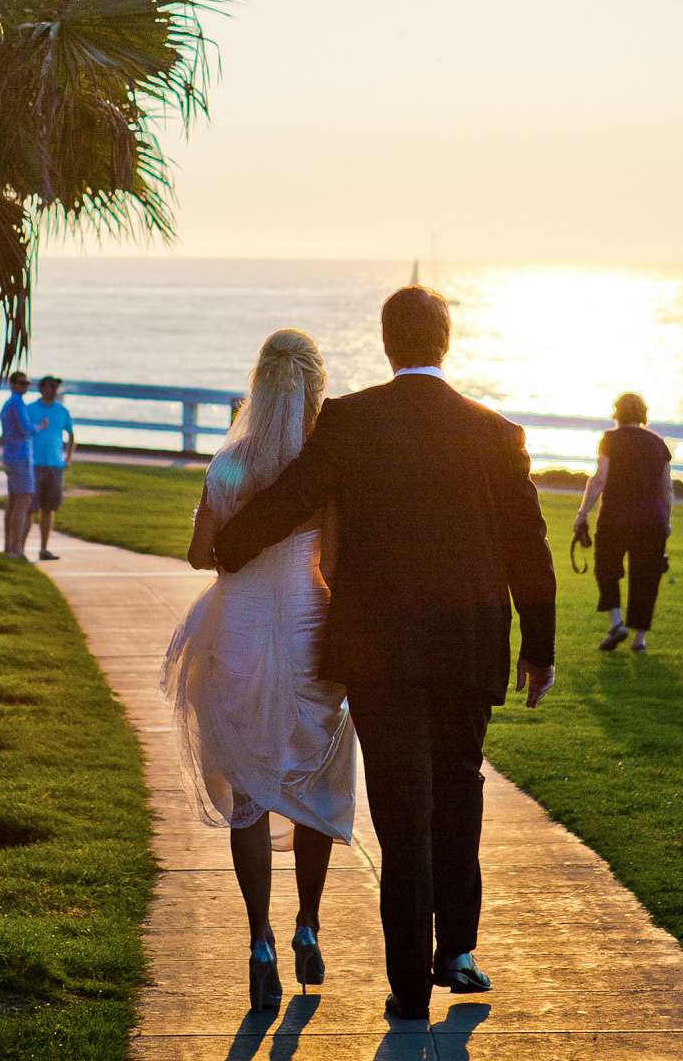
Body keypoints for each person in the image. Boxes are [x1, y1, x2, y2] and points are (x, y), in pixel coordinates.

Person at [213, 285, 556, 1023]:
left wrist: (232, 546)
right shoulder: (496, 433)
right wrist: (540, 646)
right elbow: (530, 546)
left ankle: (408, 984)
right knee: (460, 787)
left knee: (400, 806)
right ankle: (457, 951)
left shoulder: (351, 421)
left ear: (388, 342)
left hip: (379, 649)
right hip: (468, 644)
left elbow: (294, 496)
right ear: (445, 341)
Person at [161, 331, 355, 1013]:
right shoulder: (323, 470)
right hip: (306, 632)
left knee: (247, 788)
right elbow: (330, 566)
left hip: (236, 634)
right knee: (313, 782)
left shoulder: (232, 463)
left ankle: (259, 941)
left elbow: (199, 555)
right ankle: (308, 924)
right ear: (314, 385)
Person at [572, 392, 672, 653]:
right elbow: (666, 489)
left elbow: (599, 479)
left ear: (616, 412)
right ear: (642, 413)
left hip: (616, 516)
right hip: (652, 520)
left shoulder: (610, 440)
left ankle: (616, 622)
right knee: (646, 577)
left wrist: (582, 513)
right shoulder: (658, 443)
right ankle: (639, 639)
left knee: (606, 568)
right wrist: (667, 521)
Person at [25, 376, 74, 561]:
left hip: (54, 465)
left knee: (48, 508)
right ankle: (20, 548)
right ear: (41, 388)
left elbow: (71, 434)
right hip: (34, 465)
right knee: (29, 508)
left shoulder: (62, 411)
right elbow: (23, 432)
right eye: (50, 386)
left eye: (55, 387)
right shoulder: (30, 409)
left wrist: (68, 457)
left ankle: (44, 549)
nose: (52, 390)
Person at [0, 369, 36, 557]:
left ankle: (9, 546)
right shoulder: (17, 403)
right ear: (13, 384)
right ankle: (15, 548)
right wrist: (39, 427)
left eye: (26, 383)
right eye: (21, 383)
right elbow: (25, 430)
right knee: (22, 502)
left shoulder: (8, 404)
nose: (25, 386)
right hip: (20, 457)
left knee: (14, 501)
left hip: (11, 456)